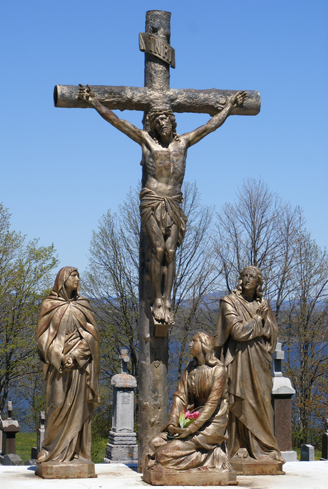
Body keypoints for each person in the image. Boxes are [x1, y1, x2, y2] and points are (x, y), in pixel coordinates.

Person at [79, 84, 247, 325]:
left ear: (173, 123)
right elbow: (117, 121)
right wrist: (94, 101)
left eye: (167, 120)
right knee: (158, 250)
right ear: (154, 125)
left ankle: (167, 299)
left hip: (174, 203)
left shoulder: (184, 143)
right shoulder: (147, 141)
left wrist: (230, 106)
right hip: (152, 201)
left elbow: (210, 126)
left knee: (170, 252)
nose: (163, 124)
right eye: (158, 121)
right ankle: (157, 299)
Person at [215, 266, 284, 462]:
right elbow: (237, 332)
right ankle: (238, 447)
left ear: (258, 282)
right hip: (238, 360)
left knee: (262, 402)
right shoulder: (230, 302)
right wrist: (257, 321)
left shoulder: (263, 303)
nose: (247, 279)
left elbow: (273, 332)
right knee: (240, 401)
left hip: (260, 360)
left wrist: (262, 325)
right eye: (244, 275)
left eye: (252, 276)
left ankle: (266, 448)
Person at [36, 266, 100, 463]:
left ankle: (78, 452)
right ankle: (50, 449)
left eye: (78, 276)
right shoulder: (49, 305)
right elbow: (42, 338)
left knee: (79, 408)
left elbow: (92, 337)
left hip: (79, 368)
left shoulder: (83, 305)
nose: (78, 279)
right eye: (73, 276)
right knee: (56, 405)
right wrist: (60, 356)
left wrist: (76, 354)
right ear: (63, 279)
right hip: (59, 367)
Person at [146, 332, 231, 471]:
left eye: (194, 341)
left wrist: (191, 429)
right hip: (194, 418)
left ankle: (214, 457)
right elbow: (181, 396)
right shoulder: (190, 367)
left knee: (162, 455)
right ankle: (207, 456)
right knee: (154, 443)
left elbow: (211, 404)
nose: (190, 344)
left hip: (211, 424)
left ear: (204, 346)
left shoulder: (219, 370)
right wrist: (174, 422)